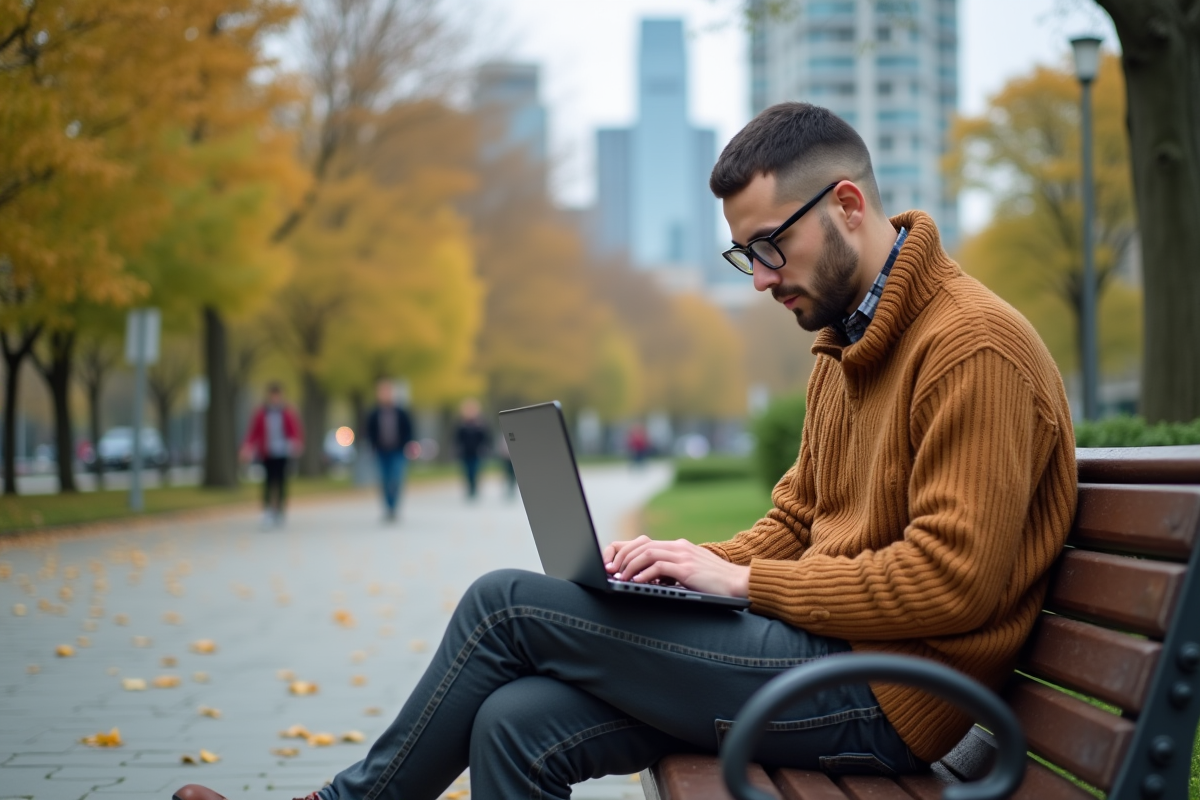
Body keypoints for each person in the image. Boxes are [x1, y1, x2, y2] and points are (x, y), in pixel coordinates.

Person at [171, 102, 1076, 800]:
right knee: (513, 722)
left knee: (501, 609)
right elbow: (802, 518)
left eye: (770, 246)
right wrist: (687, 567)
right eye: (742, 257)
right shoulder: (847, 340)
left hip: (893, 696)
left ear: (848, 205)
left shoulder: (971, 348)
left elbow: (953, 579)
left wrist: (744, 585)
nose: (761, 278)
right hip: (823, 653)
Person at [239, 382, 303, 529]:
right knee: (268, 481)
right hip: (267, 451)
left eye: (277, 395)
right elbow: (253, 432)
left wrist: (296, 443)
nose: (275, 398)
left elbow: (294, 430)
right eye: (272, 395)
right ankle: (267, 510)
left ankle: (280, 510)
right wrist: (247, 446)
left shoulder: (286, 412)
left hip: (283, 451)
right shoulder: (262, 413)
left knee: (281, 481)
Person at [364, 379, 415, 522]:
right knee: (384, 479)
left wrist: (407, 445)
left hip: (398, 451)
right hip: (381, 451)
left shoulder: (401, 412)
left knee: (396, 478)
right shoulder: (374, 413)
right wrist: (372, 446)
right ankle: (388, 507)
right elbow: (370, 432)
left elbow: (408, 430)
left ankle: (394, 506)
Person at [453, 398, 490, 500]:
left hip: (476, 452)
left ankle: (474, 488)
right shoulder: (461, 425)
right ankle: (470, 488)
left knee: (475, 470)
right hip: (465, 452)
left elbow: (486, 438)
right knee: (467, 471)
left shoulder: (480, 424)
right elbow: (457, 438)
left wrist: (485, 448)